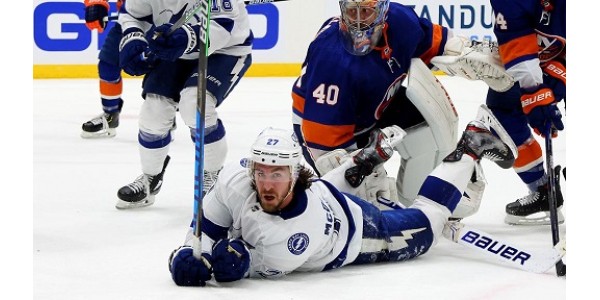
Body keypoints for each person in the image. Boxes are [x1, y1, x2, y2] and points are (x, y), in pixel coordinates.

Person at [166, 116, 515, 286]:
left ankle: (472, 144)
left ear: (292, 172)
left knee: (428, 226)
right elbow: (206, 229)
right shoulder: (233, 181)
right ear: (252, 167)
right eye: (262, 172)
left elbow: (244, 265)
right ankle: (360, 163)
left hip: (355, 232)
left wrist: (225, 266)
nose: (267, 183)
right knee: (322, 190)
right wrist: (185, 253)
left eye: (277, 174)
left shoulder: (294, 234)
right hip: (323, 193)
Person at [290, 0, 477, 212]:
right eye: (352, 12)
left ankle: (420, 204)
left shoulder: (401, 21)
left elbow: (437, 44)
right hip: (321, 124)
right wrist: (358, 169)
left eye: (366, 12)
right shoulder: (332, 60)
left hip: (378, 102)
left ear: (383, 11)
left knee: (429, 138)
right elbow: (324, 146)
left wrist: (470, 54)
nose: (358, 22)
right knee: (365, 205)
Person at [115, 0, 253, 209]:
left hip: (224, 51)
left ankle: (213, 176)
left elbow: (223, 26)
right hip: (177, 51)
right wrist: (133, 38)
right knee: (154, 111)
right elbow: (133, 14)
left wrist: (186, 37)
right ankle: (150, 178)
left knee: (196, 105)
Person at [487, 0, 565, 225]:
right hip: (547, 60)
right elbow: (518, 46)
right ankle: (543, 191)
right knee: (501, 109)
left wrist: (563, 77)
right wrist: (536, 94)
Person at [81, 0, 126, 138]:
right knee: (108, 65)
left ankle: (164, 116)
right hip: (129, 22)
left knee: (162, 67)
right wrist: (96, 3)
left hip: (166, 21)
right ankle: (110, 114)